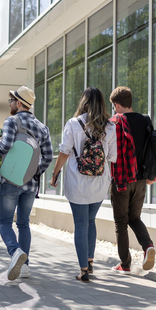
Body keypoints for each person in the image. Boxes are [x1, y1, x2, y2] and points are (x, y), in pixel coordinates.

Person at [50, 87, 116, 283]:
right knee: (90, 221)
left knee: (80, 224)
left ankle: (83, 270)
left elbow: (64, 152)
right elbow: (112, 157)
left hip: (77, 181)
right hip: (100, 182)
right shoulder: (110, 127)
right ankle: (90, 261)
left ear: (84, 102)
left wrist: (55, 173)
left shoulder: (73, 124)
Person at [0, 86, 53, 281]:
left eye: (11, 100)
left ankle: (15, 252)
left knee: (4, 222)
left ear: (19, 103)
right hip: (30, 184)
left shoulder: (11, 121)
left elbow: (6, 145)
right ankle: (25, 268)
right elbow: (48, 156)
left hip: (11, 179)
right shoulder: (42, 127)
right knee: (24, 223)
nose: (10, 103)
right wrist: (35, 172)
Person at [108, 86, 156, 274]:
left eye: (114, 106)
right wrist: (151, 174)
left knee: (121, 221)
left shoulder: (114, 122)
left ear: (117, 105)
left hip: (121, 179)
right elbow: (150, 148)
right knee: (134, 217)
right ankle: (147, 246)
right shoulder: (145, 120)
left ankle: (125, 264)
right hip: (141, 180)